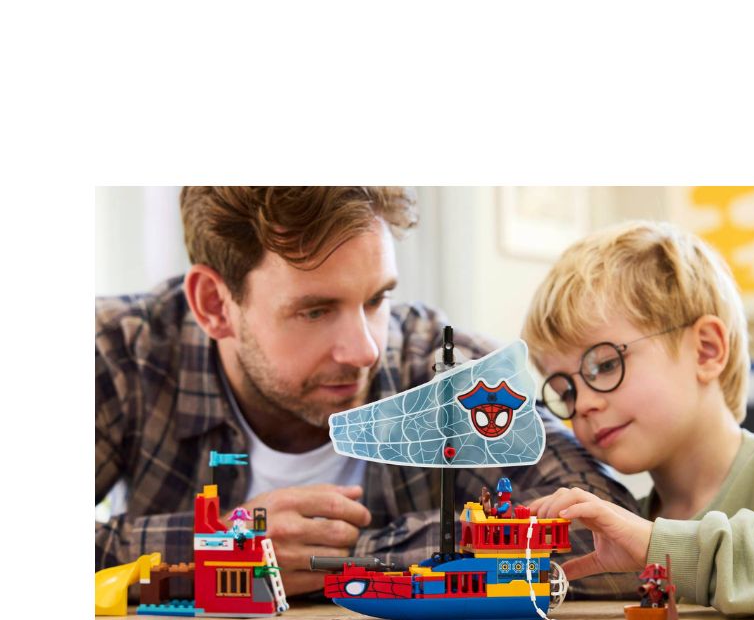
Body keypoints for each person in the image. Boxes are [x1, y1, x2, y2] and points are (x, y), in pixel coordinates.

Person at [96, 186, 639, 598]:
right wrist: (221, 548)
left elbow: (610, 533)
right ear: (215, 305)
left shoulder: (444, 367)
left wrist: (337, 554)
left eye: (377, 300)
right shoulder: (121, 352)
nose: (364, 350)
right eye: (315, 311)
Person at [522, 219, 754, 617]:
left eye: (605, 365)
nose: (583, 405)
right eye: (566, 392)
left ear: (706, 351)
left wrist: (660, 548)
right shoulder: (622, 529)